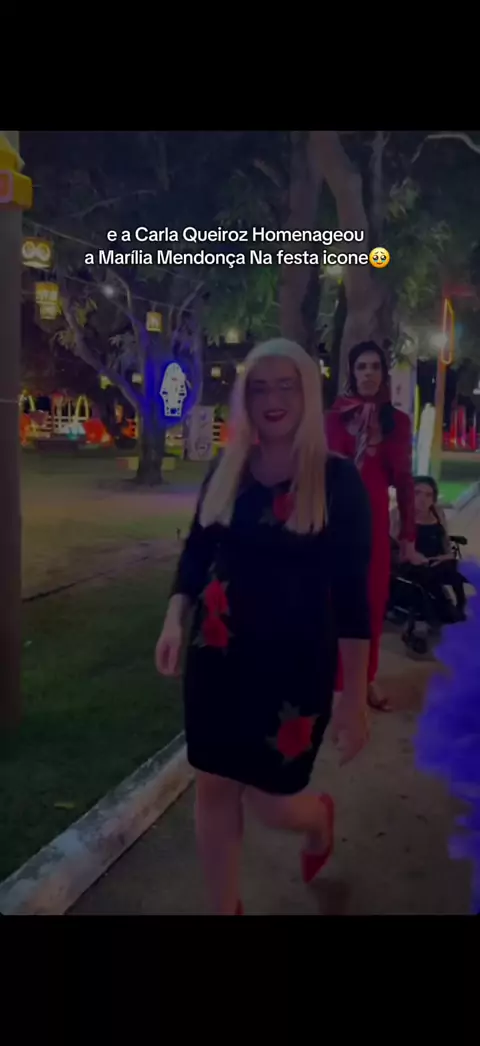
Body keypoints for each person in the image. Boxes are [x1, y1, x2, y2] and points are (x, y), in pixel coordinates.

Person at [155, 338, 372, 916]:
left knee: (271, 803)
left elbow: (353, 599)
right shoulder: (228, 470)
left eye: (285, 385)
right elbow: (197, 555)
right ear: (244, 398)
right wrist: (174, 619)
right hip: (217, 658)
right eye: (258, 387)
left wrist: (354, 698)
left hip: (294, 667)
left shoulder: (337, 482)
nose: (272, 399)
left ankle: (317, 818)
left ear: (307, 394)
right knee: (215, 786)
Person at [326, 341, 418, 712]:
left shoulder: (397, 422)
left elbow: (405, 482)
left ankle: (366, 678)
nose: (368, 373)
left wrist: (408, 535)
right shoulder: (334, 418)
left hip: (374, 521)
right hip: (333, 519)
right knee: (332, 600)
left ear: (383, 374)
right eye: (361, 367)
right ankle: (336, 682)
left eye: (375, 367)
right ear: (352, 372)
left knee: (372, 600)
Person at [392, 475, 467, 622]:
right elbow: (393, 547)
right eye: (417, 493)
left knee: (460, 568)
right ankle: (441, 611)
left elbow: (445, 541)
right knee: (429, 575)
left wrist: (446, 556)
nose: (423, 499)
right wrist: (414, 557)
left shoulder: (437, 512)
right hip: (411, 563)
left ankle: (460, 605)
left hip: (437, 560)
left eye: (428, 495)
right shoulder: (398, 513)